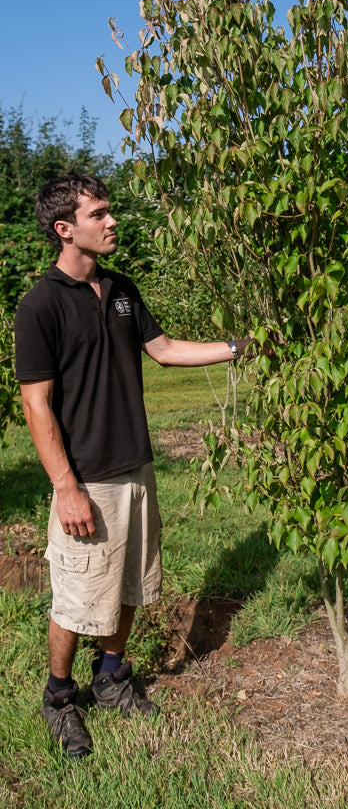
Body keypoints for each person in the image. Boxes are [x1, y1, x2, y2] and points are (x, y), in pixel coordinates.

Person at [14, 173, 252, 759]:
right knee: (77, 596)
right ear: (65, 228)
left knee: (129, 584)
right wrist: (66, 487)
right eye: (98, 214)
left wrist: (238, 348)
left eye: (109, 210)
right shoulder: (40, 305)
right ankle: (59, 697)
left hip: (135, 466)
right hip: (86, 477)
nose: (112, 220)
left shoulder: (121, 288)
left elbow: (164, 350)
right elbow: (36, 405)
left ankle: (111, 676)